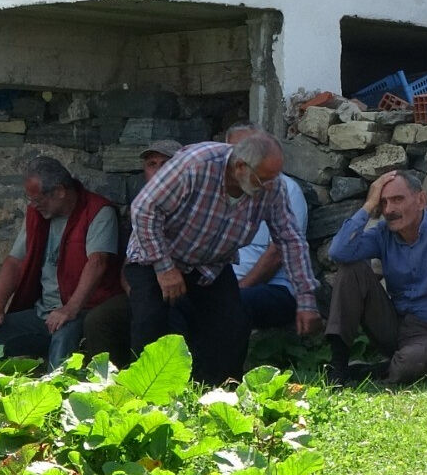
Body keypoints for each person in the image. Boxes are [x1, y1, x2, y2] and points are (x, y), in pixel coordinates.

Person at [126, 133, 320, 383]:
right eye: (262, 179)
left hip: (211, 264)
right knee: (151, 322)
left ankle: (219, 393)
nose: (270, 186)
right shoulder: (195, 165)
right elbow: (143, 209)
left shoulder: (272, 186)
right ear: (240, 167)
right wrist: (165, 268)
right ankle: (145, 396)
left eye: (274, 178)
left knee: (232, 323)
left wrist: (305, 298)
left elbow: (290, 239)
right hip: (155, 256)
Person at [327, 170, 427, 385]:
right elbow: (339, 252)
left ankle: (379, 369)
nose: (389, 210)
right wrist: (369, 204)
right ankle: (338, 368)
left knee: (410, 364)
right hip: (396, 325)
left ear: (421, 199)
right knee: (351, 270)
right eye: (383, 202)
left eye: (397, 199)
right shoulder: (383, 233)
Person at [0, 156, 126, 369]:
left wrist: (70, 308)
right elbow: (14, 263)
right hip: (43, 312)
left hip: (84, 309)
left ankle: (56, 395)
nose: (34, 206)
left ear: (60, 191)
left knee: (62, 339)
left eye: (38, 200)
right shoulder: (36, 215)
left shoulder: (98, 212)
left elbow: (98, 262)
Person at [226, 124, 309, 330]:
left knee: (231, 305)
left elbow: (277, 254)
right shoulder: (219, 189)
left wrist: (238, 289)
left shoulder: (285, 190)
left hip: (272, 288)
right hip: (223, 284)